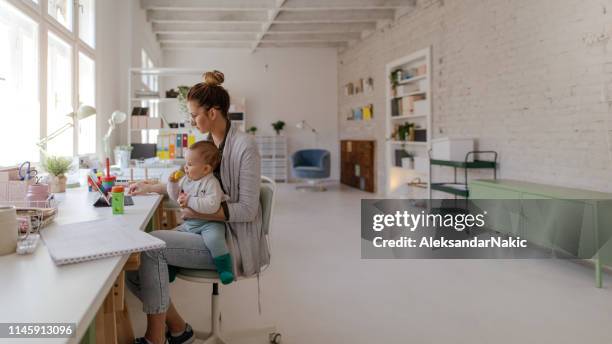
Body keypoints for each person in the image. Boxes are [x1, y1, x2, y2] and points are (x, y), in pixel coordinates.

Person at [126, 70, 268, 344]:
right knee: (134, 264)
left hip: (230, 241)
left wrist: (199, 211)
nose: (191, 120)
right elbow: (191, 184)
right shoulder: (208, 145)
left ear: (213, 112)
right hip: (203, 229)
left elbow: (248, 210)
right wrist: (152, 187)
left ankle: (156, 338)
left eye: (194, 115)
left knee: (151, 246)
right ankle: (178, 329)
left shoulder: (244, 147)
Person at [167, 140, 234, 285]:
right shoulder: (186, 180)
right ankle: (172, 266)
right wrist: (172, 184)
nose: (185, 167)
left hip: (210, 223)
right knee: (174, 236)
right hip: (189, 224)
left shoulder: (211, 183)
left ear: (205, 169)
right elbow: (175, 197)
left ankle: (224, 268)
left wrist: (189, 200)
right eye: (186, 163)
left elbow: (211, 206)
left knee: (215, 239)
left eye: (190, 164)